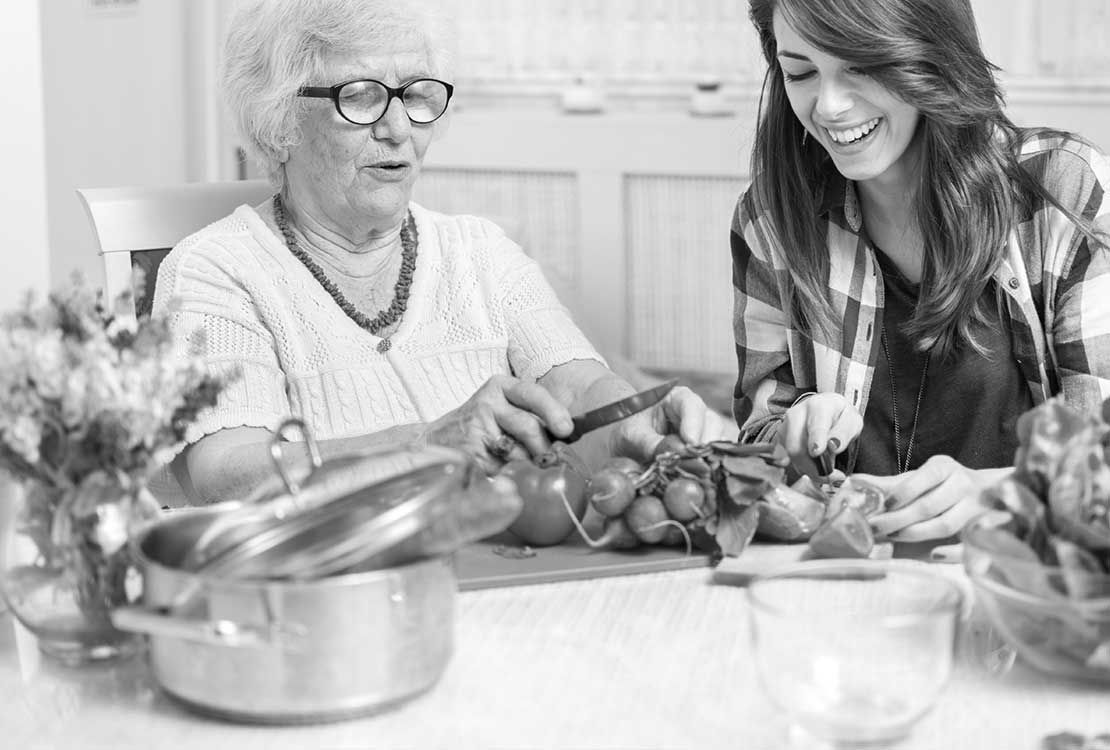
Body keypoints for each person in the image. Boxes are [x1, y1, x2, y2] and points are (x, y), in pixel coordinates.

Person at [153, 0, 733, 506]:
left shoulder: (479, 250)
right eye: (360, 97)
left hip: (504, 566)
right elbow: (226, 473)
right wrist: (425, 445)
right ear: (277, 119)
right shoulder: (216, 271)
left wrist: (636, 417)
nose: (399, 128)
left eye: (416, 94)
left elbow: (577, 386)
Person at [732, 0, 1110, 542]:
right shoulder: (772, 218)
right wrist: (793, 434)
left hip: (1019, 585)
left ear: (930, 53)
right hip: (852, 579)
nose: (830, 106)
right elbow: (756, 451)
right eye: (801, 72)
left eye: (861, 65)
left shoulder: (1063, 190)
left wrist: (1000, 494)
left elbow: (1102, 458)